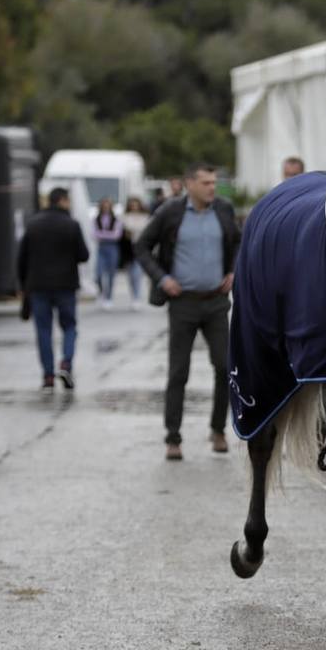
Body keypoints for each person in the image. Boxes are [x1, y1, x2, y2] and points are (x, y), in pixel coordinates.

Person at [135, 164, 242, 461]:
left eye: (214, 182)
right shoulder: (170, 212)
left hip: (216, 302)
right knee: (178, 372)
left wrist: (233, 271)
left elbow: (238, 242)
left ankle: (218, 430)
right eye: (206, 183)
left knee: (224, 366)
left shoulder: (223, 209)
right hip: (183, 303)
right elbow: (141, 246)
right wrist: (162, 278)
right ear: (189, 184)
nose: (212, 188)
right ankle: (173, 437)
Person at [17, 187, 90, 391]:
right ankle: (66, 363)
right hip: (65, 286)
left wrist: (23, 285)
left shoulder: (33, 225)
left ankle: (48, 375)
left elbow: (22, 258)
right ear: (63, 201)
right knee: (69, 326)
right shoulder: (72, 225)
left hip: (38, 286)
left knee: (43, 330)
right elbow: (84, 255)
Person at [121, 197, 151, 307]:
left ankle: (137, 297)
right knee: (130, 275)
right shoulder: (125, 217)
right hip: (128, 249)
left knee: (137, 273)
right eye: (132, 205)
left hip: (140, 247)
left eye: (136, 205)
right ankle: (134, 294)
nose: (134, 207)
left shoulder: (145, 217)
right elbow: (124, 233)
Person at [93, 198, 123, 310]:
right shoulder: (96, 219)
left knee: (111, 274)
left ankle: (109, 297)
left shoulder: (116, 220)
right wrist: (107, 234)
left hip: (112, 247)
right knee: (98, 273)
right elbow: (94, 234)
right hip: (101, 248)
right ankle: (102, 292)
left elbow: (117, 235)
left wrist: (103, 234)